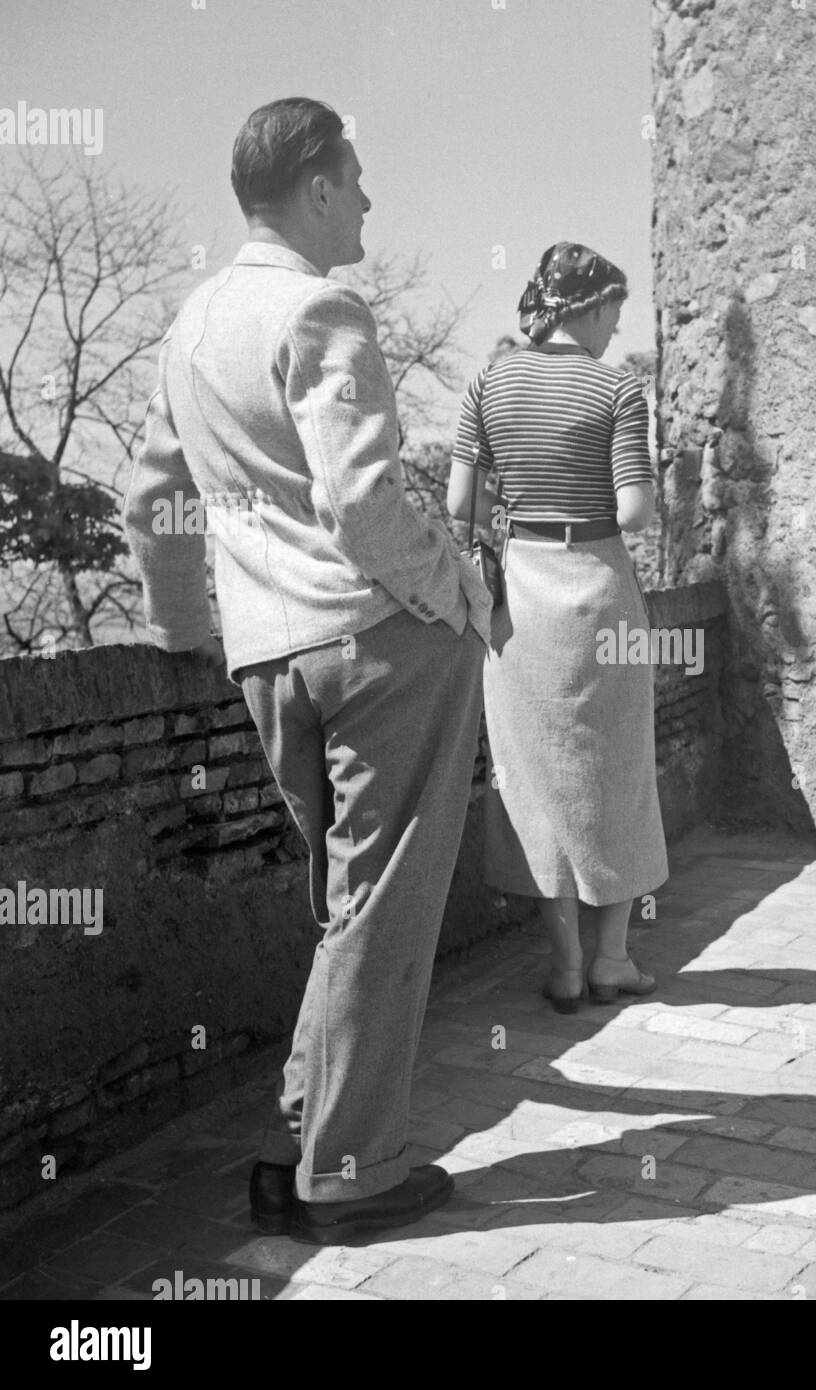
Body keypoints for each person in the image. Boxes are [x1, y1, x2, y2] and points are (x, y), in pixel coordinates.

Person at [123, 98, 491, 1245]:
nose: (372, 200)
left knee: (344, 910)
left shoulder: (189, 327)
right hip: (378, 641)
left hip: (269, 656)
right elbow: (362, 499)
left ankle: (298, 1141)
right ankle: (350, 1172)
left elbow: (149, 500)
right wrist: (460, 594)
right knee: (380, 909)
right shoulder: (321, 306)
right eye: (360, 179)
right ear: (319, 188)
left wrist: (190, 629)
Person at [447, 242, 668, 1013]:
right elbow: (635, 513)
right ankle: (614, 958)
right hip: (601, 592)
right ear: (592, 306)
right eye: (615, 310)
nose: (617, 327)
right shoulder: (619, 390)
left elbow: (459, 502)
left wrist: (517, 515)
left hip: (521, 602)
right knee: (616, 775)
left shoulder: (490, 378)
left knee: (537, 783)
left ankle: (567, 966)